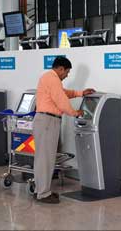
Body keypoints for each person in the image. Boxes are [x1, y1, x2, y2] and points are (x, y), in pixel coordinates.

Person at [33, 56, 95, 204]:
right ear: (60, 68)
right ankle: (43, 193)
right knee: (46, 159)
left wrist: (80, 93)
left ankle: (40, 190)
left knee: (42, 159)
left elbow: (63, 93)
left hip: (44, 121)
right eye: (66, 72)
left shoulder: (48, 78)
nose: (67, 75)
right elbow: (61, 101)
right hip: (48, 121)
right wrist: (75, 113)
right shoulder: (53, 79)